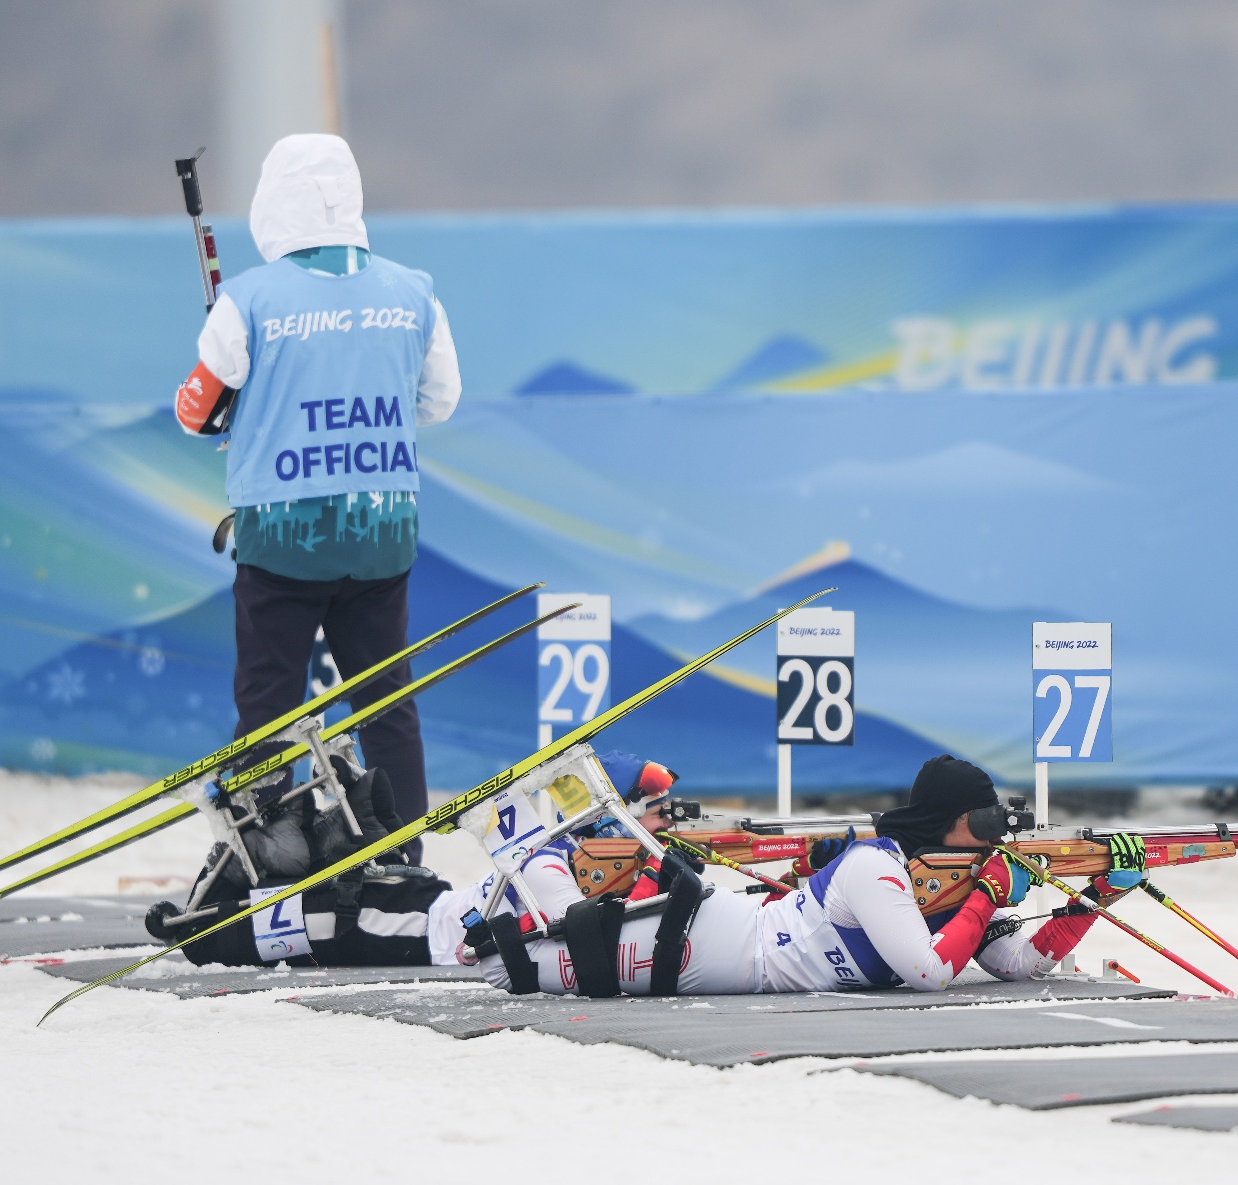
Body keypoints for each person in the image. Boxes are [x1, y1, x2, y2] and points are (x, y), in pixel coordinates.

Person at [173, 133, 461, 862]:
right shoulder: (413, 291)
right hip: (381, 527)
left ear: (273, 204)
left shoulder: (247, 298)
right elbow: (440, 401)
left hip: (283, 535)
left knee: (270, 701)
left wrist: (245, 406)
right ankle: (401, 855)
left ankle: (273, 848)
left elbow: (196, 411)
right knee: (385, 699)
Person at [470, 754, 1148, 998]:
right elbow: (930, 973)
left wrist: (1098, 895)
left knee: (524, 964)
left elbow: (1021, 962)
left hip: (729, 961)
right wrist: (991, 894)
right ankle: (525, 837)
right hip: (717, 944)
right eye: (979, 820)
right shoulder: (873, 867)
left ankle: (532, 855)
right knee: (508, 964)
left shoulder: (948, 891)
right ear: (944, 821)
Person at [145, 750, 680, 970]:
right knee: (320, 915)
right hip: (422, 920)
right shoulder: (560, 856)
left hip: (419, 921)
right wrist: (659, 875)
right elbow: (574, 920)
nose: (664, 826)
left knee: (320, 915)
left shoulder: (583, 857)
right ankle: (208, 919)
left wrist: (663, 877)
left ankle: (218, 913)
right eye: (654, 813)